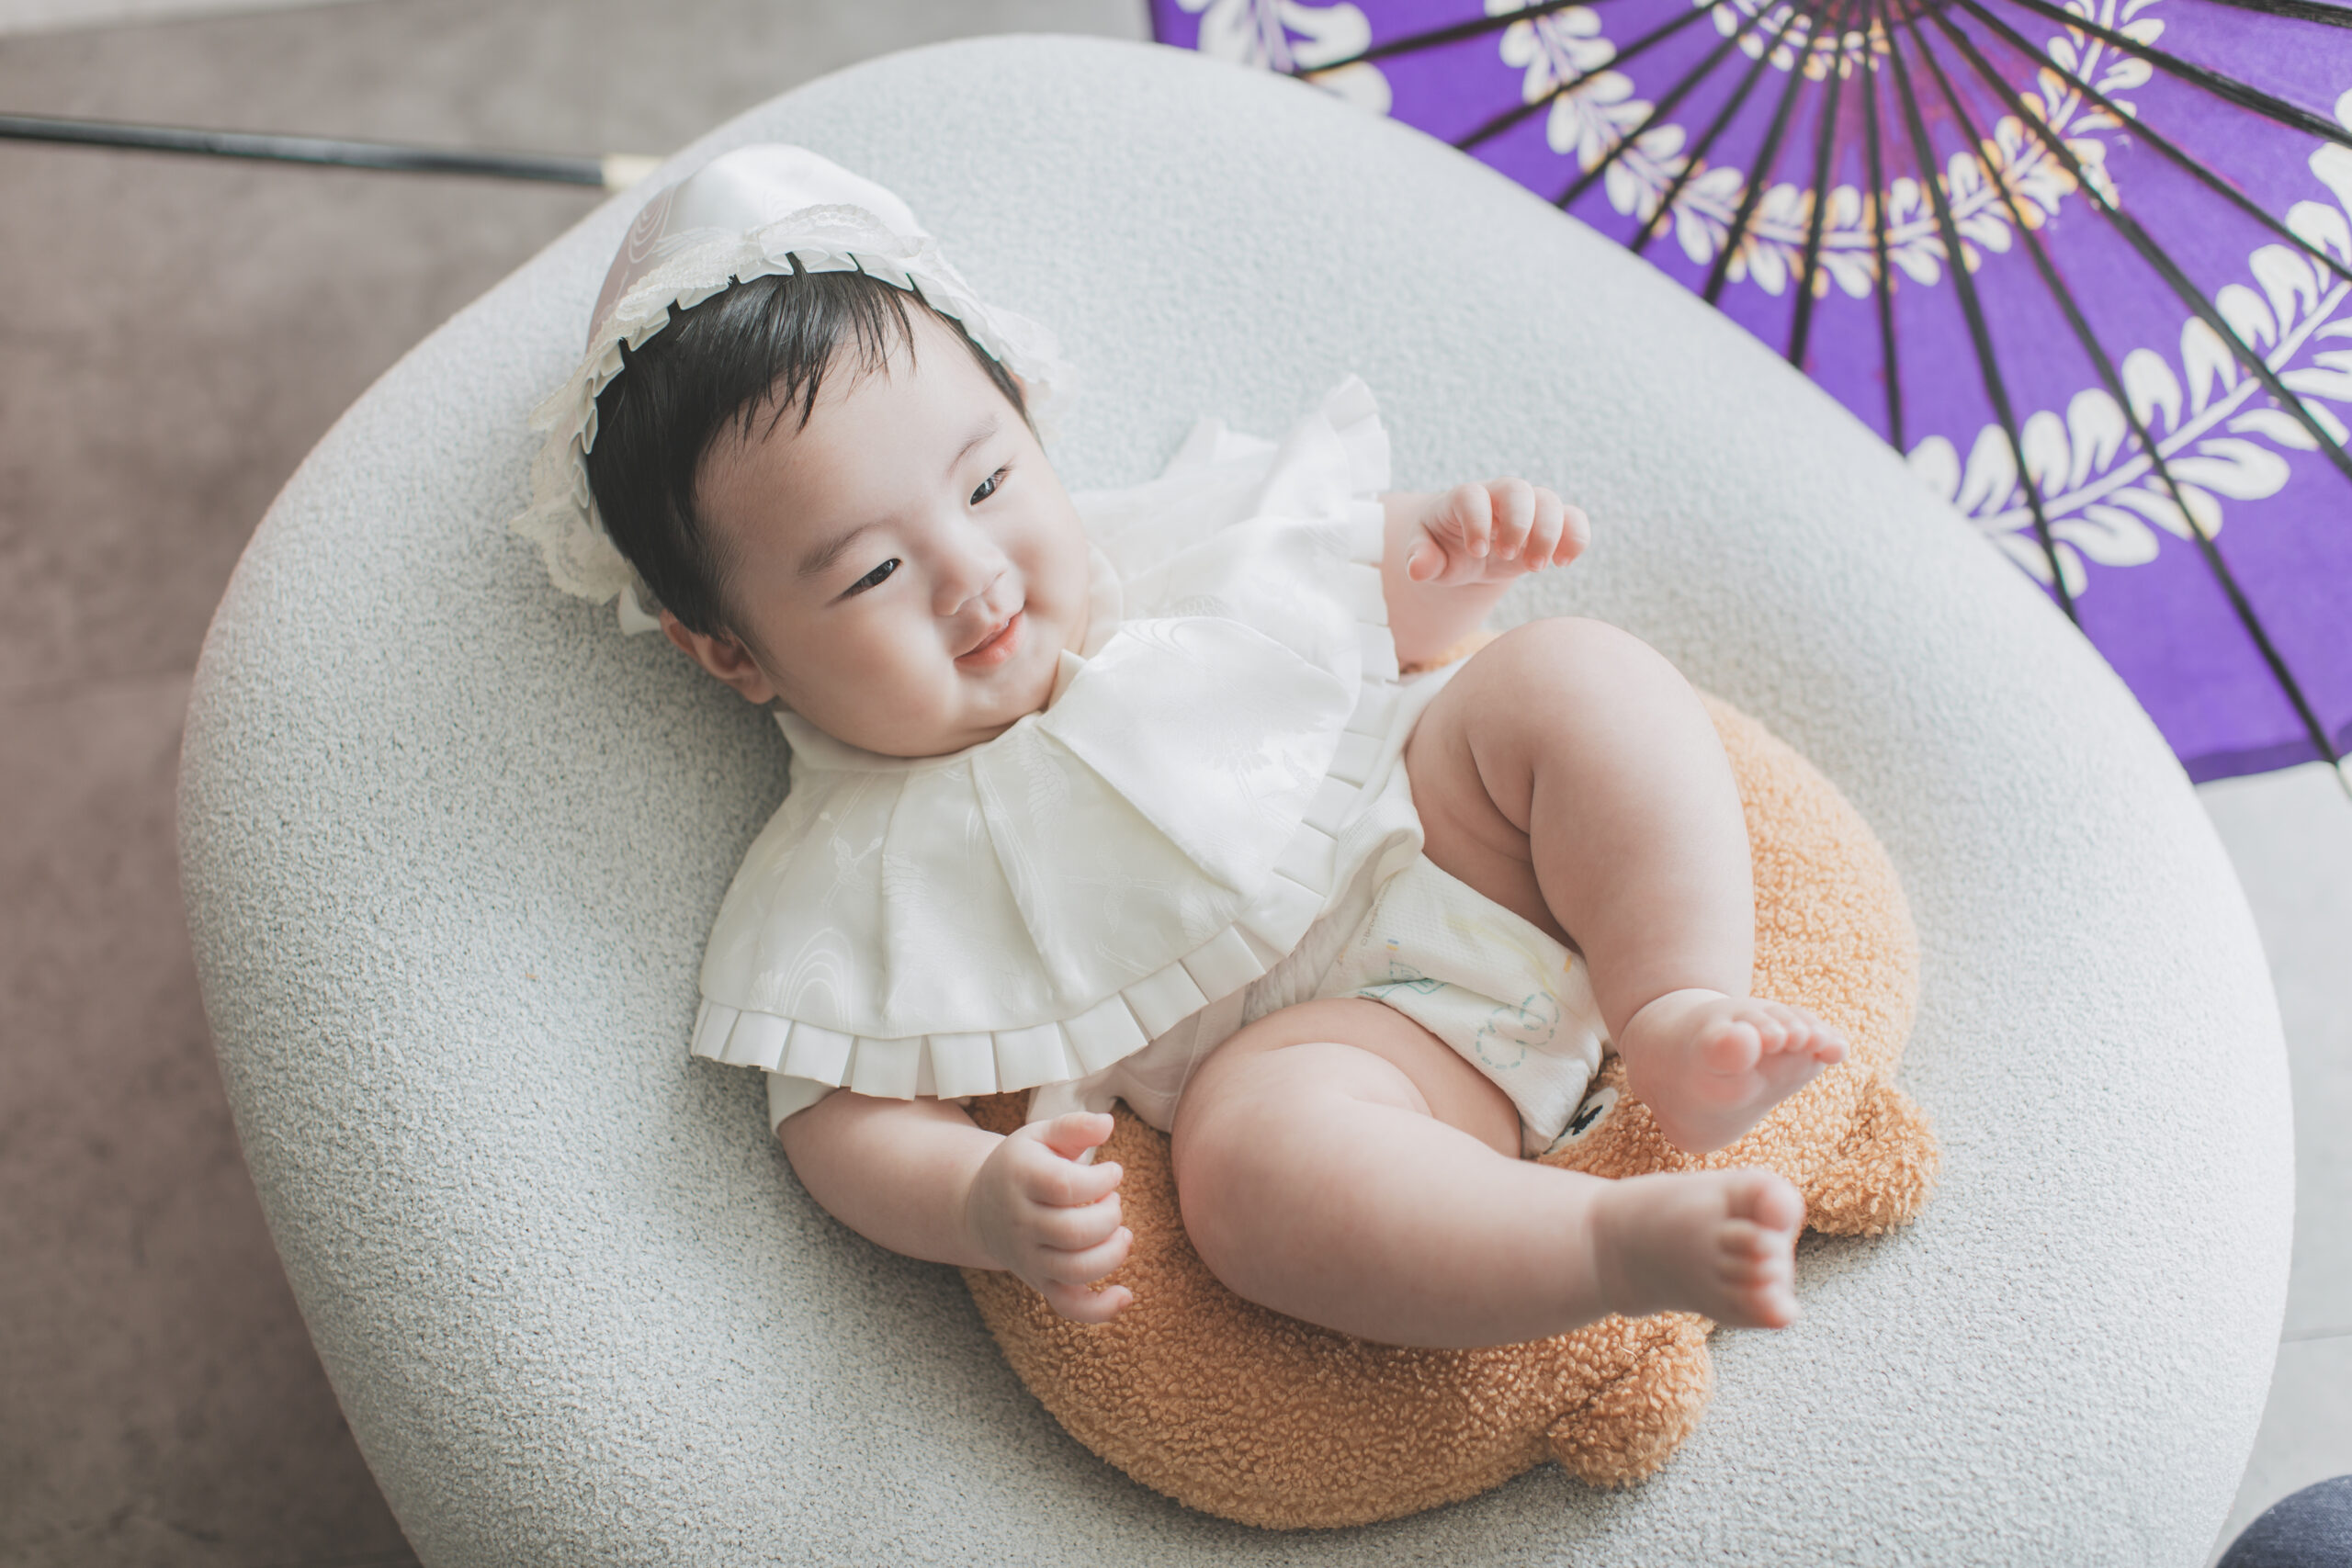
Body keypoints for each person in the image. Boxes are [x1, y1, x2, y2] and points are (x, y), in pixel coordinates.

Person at [513, 145, 1850, 1350]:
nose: (973, 575)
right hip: (1349, 1059)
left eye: (988, 484)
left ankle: (1681, 1011)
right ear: (732, 653)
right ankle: (1606, 1247)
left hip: (1455, 829)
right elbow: (840, 1123)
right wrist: (977, 1200)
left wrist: (1458, 556)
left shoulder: (1158, 548)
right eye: (872, 572)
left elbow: (1363, 600)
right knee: (1247, 1171)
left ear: (1026, 418)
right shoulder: (842, 869)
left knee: (1569, 676)